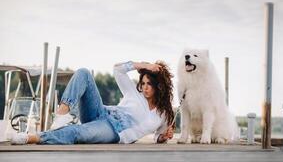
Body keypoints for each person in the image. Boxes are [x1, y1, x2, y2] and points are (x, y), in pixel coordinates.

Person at [11, 61, 175, 144]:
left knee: (77, 132)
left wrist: (163, 137)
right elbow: (118, 69)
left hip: (113, 131)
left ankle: (31, 138)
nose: (145, 88)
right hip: (101, 112)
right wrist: (144, 65)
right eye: (143, 83)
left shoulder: (163, 114)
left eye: (150, 84)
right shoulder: (134, 92)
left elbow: (157, 137)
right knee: (84, 73)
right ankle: (61, 115)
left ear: (159, 86)